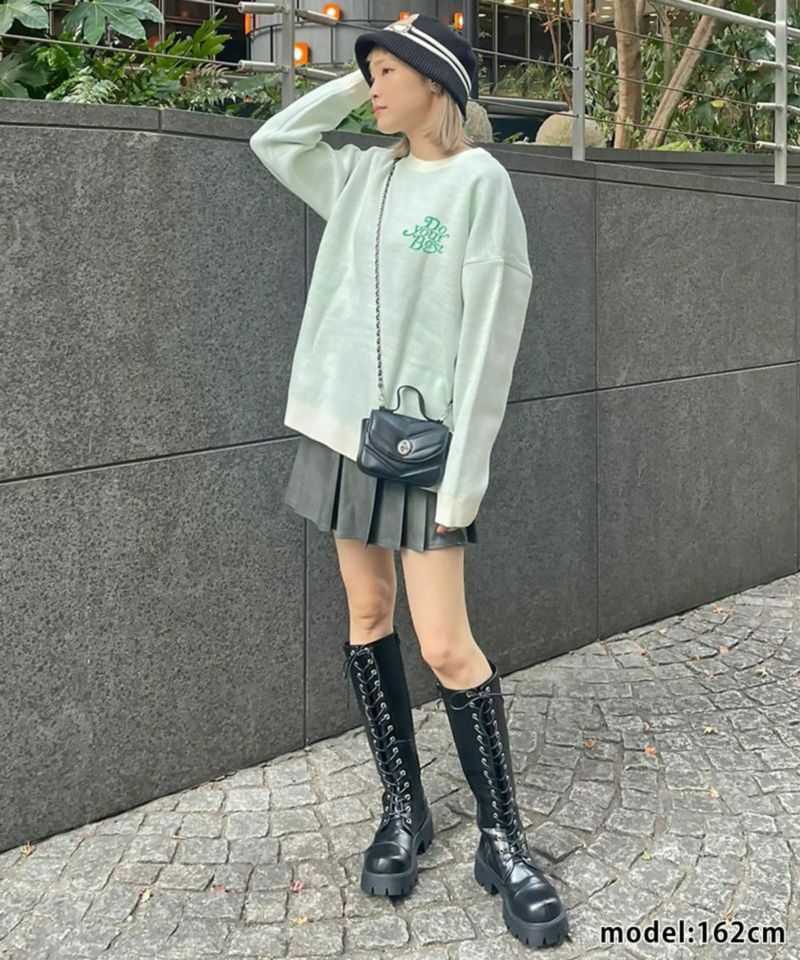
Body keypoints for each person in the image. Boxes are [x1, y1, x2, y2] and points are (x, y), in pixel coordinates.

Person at [248, 13, 568, 949]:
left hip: (427, 450)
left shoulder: (480, 184)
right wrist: (357, 80)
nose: (376, 87)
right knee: (367, 612)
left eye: (392, 73)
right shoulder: (361, 175)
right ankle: (404, 806)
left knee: (448, 646)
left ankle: (503, 841)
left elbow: (492, 339)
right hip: (341, 434)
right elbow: (275, 141)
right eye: (372, 74)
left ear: (438, 84)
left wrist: (465, 479)